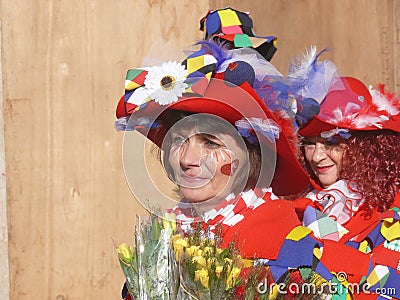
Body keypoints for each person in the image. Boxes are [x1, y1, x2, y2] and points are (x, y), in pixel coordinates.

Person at [115, 41, 355, 299]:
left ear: (251, 157)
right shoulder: (161, 237)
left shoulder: (289, 246)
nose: (187, 159)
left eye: (211, 143)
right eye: (178, 140)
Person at [294, 74, 400, 298]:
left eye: (332, 143)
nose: (317, 157)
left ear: (363, 147)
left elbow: (389, 288)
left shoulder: (391, 209)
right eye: (310, 144)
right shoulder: (298, 204)